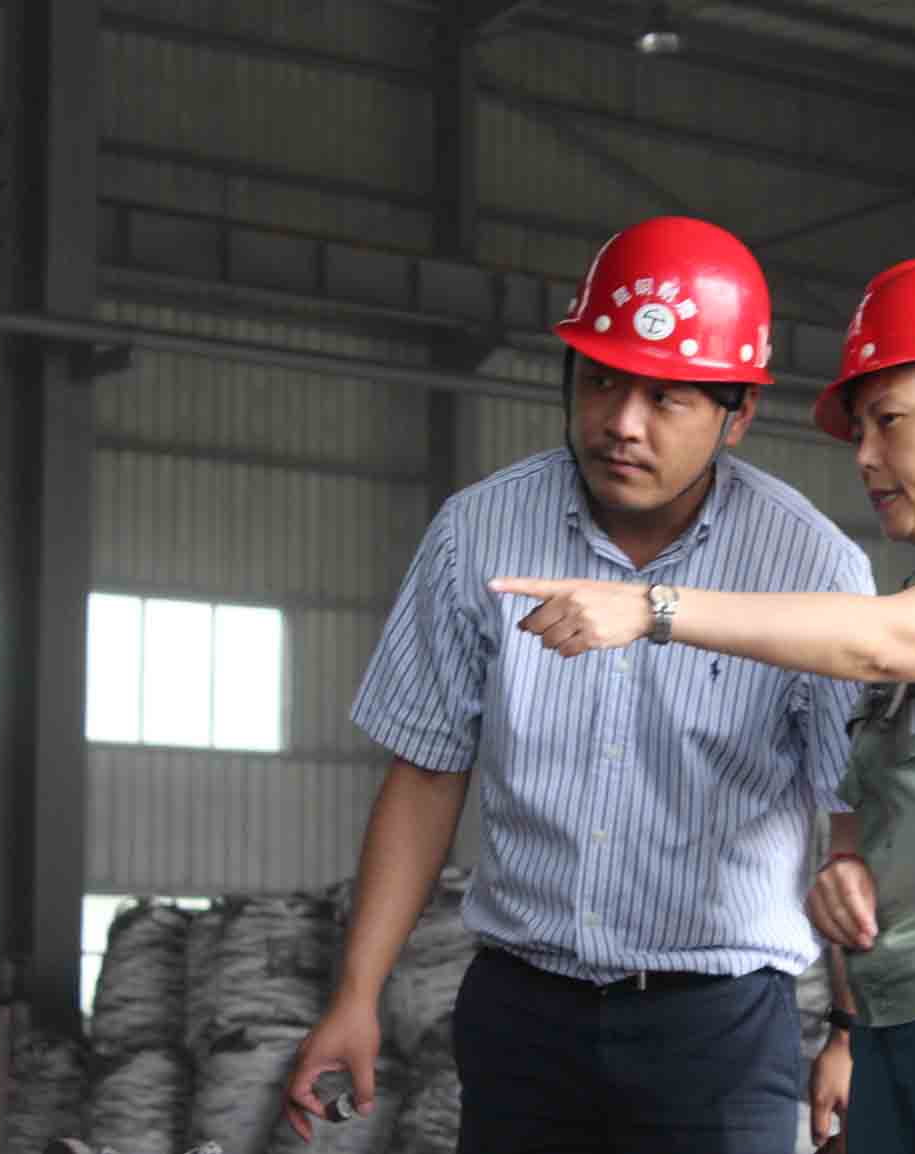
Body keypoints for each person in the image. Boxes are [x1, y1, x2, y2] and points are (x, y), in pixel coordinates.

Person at [494, 256, 915, 1154]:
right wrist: (847, 868)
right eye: (858, 431)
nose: (864, 458)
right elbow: (898, 794)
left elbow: (883, 640)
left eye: (889, 420)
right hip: (910, 1012)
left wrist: (654, 608)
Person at [282, 216, 873, 1154]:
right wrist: (355, 997)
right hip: (523, 1018)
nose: (622, 423)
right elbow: (427, 772)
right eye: (601, 380)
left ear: (737, 414)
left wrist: (850, 1029)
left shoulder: (812, 570)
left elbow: (850, 817)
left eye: (666, 397)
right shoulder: (479, 533)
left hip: (716, 1030)